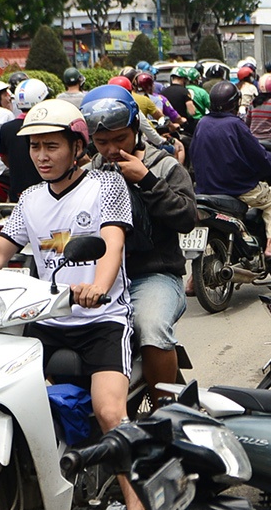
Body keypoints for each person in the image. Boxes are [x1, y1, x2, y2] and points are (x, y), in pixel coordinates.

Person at [0, 106, 144, 510]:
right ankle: (0, 488)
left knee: (108, 411)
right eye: (34, 146)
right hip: (47, 318)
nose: (41, 156)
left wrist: (97, 288)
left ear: (77, 147)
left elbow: (112, 245)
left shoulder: (108, 184)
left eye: (51, 145)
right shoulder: (30, 198)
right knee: (5, 393)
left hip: (102, 319)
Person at [84, 87, 195, 409]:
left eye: (120, 140)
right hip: (102, 278)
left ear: (135, 130)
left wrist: (146, 180)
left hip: (155, 276)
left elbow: (187, 218)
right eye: (102, 142)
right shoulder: (91, 172)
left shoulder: (164, 166)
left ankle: (165, 414)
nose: (111, 149)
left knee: (150, 327)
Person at [192, 78, 271, 263]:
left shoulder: (202, 123)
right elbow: (260, 158)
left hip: (206, 189)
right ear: (235, 104)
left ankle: (193, 280)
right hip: (237, 188)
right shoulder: (236, 125)